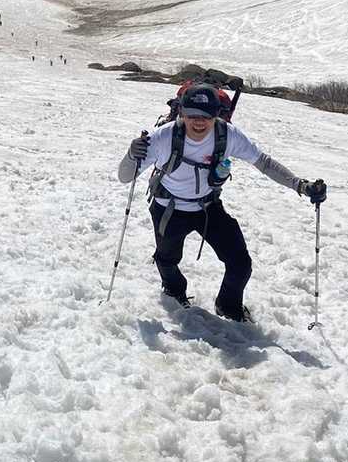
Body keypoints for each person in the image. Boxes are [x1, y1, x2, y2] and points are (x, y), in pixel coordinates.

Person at [117, 84, 326, 321]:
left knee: (240, 263)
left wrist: (300, 185)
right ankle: (174, 291)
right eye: (192, 115)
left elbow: (264, 163)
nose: (199, 122)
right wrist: (131, 154)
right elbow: (125, 176)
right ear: (182, 113)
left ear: (216, 115)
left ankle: (228, 306)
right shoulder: (163, 137)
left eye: (206, 116)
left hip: (208, 207)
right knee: (167, 260)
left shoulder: (227, 135)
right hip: (168, 209)